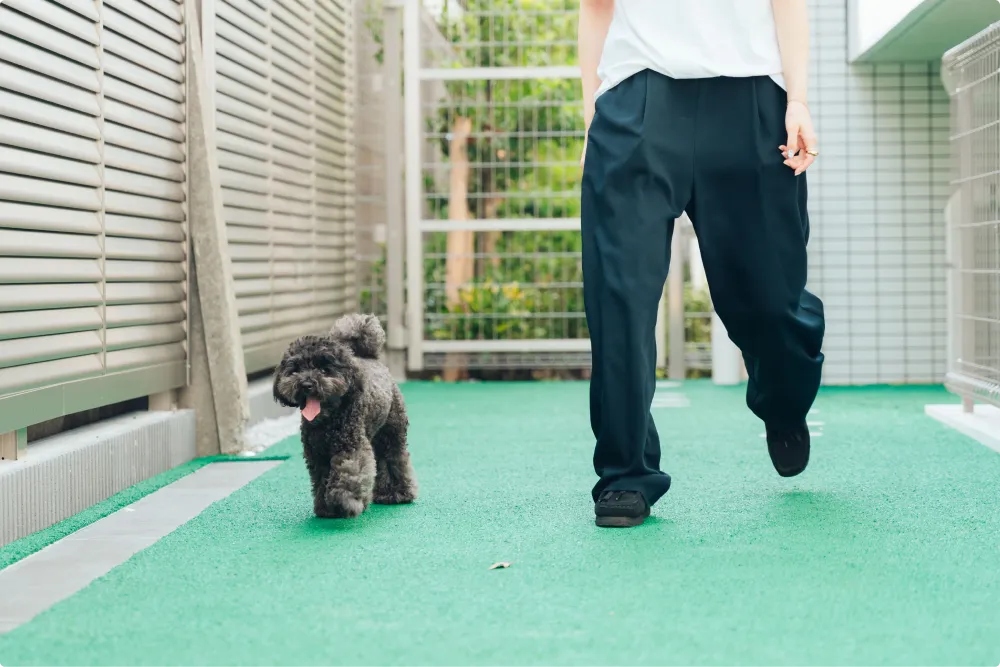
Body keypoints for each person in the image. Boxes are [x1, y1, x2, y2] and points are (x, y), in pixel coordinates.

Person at [579, 0, 825, 527]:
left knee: (770, 297)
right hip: (635, 98)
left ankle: (783, 402)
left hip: (752, 97)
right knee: (617, 295)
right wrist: (591, 117)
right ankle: (625, 473)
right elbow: (596, 7)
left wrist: (798, 99)